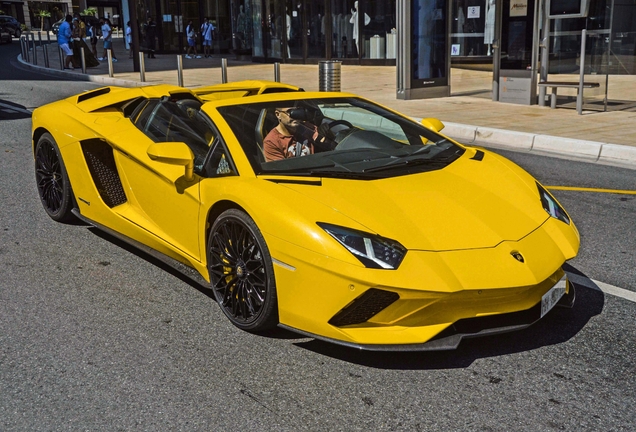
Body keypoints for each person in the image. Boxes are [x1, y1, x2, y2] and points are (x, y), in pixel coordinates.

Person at [263, 107, 335, 162]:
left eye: (298, 111)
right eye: (290, 112)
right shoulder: (271, 142)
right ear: (278, 114)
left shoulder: (307, 127)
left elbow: (327, 144)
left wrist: (327, 133)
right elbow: (282, 172)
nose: (295, 116)